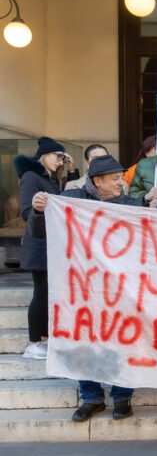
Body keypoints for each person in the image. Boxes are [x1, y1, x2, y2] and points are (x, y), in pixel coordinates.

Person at [29, 155, 140, 422]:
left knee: (123, 341)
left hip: (121, 288)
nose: (120, 183)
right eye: (114, 179)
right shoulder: (73, 202)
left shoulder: (133, 204)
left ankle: (122, 396)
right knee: (83, 342)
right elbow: (40, 232)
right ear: (97, 181)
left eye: (120, 178)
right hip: (81, 287)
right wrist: (39, 210)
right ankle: (91, 398)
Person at [15, 137, 70, 360]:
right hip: (39, 244)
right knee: (41, 293)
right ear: (45, 155)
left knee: (49, 294)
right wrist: (40, 209)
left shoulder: (51, 179)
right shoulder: (31, 177)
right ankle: (33, 343)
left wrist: (72, 171)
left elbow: (66, 201)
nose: (60, 161)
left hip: (51, 243)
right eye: (58, 156)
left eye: (63, 158)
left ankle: (45, 340)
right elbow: (27, 212)